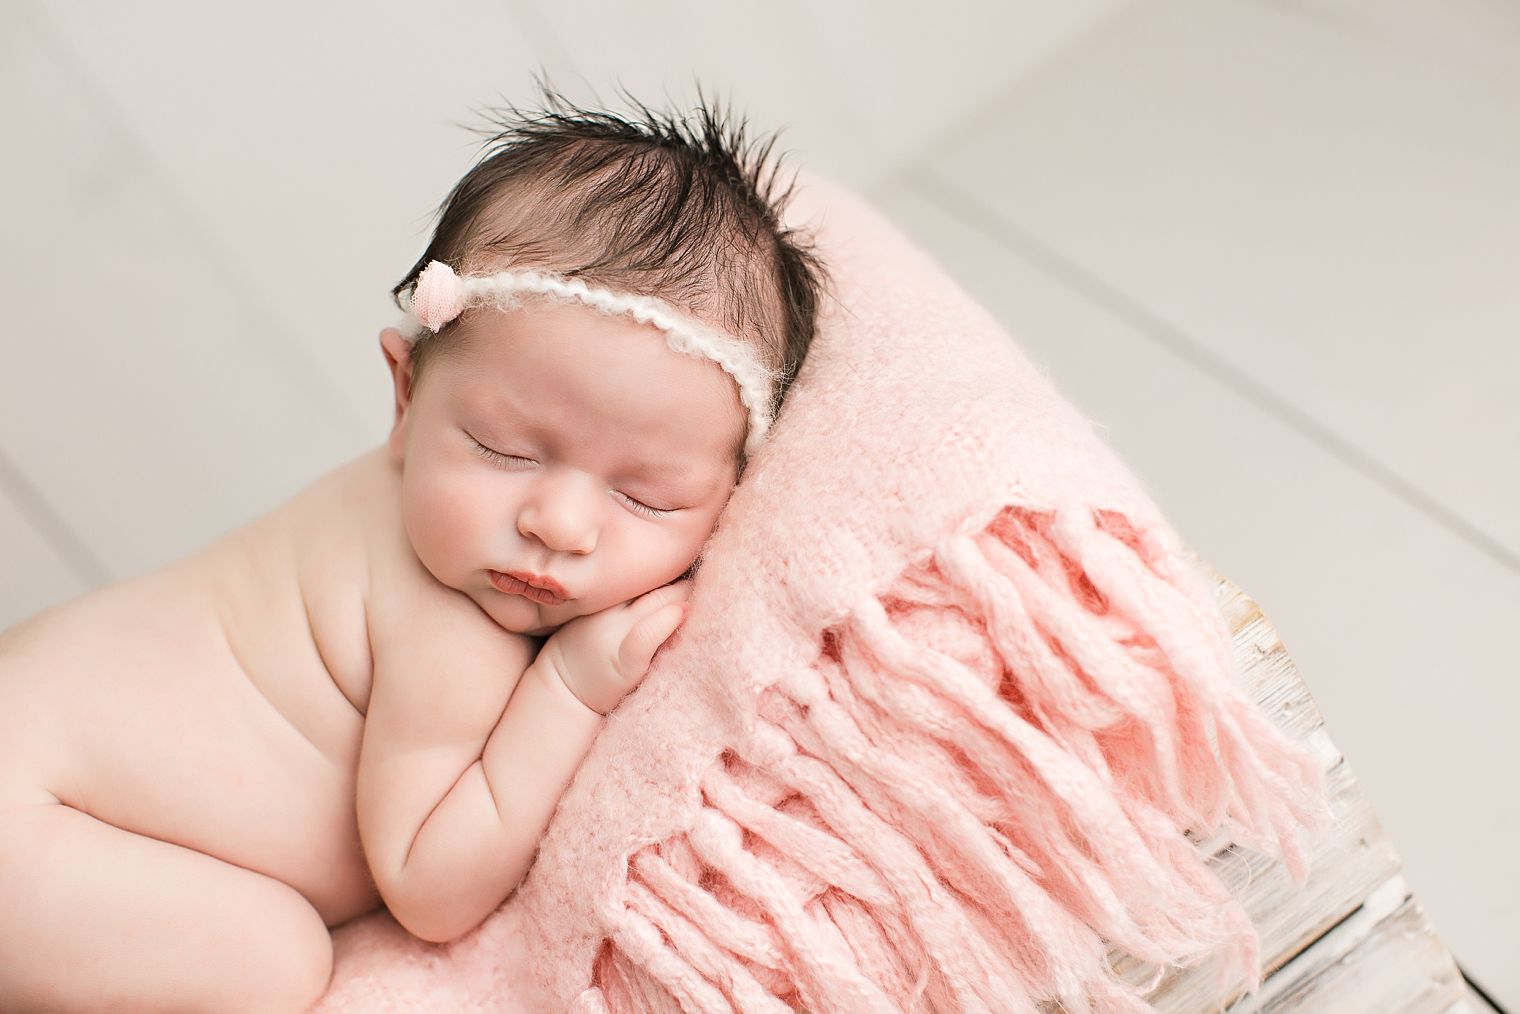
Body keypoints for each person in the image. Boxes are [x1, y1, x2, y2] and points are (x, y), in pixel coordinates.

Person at [0, 86, 828, 1013]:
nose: (557, 521)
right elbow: (429, 889)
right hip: (33, 826)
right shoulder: (448, 625)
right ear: (405, 399)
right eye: (504, 451)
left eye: (645, 496)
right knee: (269, 964)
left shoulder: (420, 508)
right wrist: (569, 691)